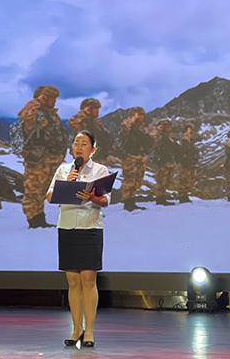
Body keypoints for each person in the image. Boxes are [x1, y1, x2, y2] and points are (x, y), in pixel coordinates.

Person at [46, 131, 109, 349]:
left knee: (89, 279)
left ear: (93, 148)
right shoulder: (64, 169)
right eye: (76, 143)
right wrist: (67, 183)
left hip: (89, 227)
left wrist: (91, 197)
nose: (79, 147)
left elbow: (105, 201)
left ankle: (89, 331)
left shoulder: (100, 170)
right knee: (72, 281)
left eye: (84, 143)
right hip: (67, 227)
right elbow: (50, 195)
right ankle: (76, 329)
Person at [18, 86, 69, 228]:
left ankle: (40, 218)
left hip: (50, 159)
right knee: (33, 189)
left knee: (42, 190)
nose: (53, 101)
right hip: (38, 160)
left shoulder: (50, 114)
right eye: (49, 97)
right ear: (42, 97)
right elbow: (26, 116)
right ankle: (34, 221)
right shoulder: (33, 110)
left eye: (54, 98)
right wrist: (36, 102)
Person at [117, 107, 152, 212]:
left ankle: (132, 202)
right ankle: (127, 203)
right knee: (129, 180)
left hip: (139, 157)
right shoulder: (127, 125)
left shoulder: (141, 128)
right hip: (130, 156)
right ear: (132, 115)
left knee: (137, 180)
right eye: (138, 114)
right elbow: (124, 133)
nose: (141, 116)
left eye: (142, 114)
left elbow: (146, 141)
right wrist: (131, 121)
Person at [68, 98, 113, 164]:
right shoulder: (82, 123)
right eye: (95, 109)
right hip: (89, 160)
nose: (98, 111)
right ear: (88, 109)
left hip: (98, 158)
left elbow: (104, 139)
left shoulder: (94, 122)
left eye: (98, 109)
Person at [151, 119, 179, 206]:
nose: (169, 128)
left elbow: (173, 148)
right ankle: (160, 199)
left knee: (166, 180)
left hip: (168, 161)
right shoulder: (159, 136)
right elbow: (156, 149)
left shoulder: (168, 137)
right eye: (167, 126)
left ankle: (162, 198)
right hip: (162, 162)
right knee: (161, 180)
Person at [176, 124, 198, 203]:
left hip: (190, 162)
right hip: (184, 163)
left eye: (191, 130)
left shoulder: (191, 141)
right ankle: (182, 196)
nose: (189, 132)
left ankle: (185, 195)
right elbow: (183, 151)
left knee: (188, 179)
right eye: (188, 130)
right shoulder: (183, 140)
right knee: (183, 179)